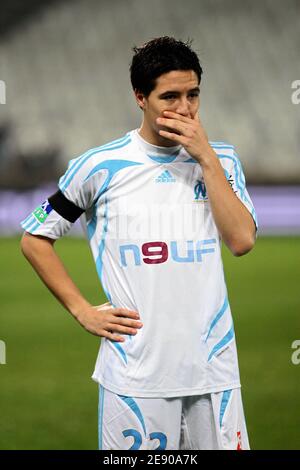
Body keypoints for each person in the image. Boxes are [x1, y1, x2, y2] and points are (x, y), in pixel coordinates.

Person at [20, 36, 257, 450]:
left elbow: (240, 241)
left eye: (193, 94)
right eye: (170, 96)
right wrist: (82, 310)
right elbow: (35, 238)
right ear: (140, 97)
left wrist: (206, 159)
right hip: (135, 377)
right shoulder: (99, 166)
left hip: (215, 373)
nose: (185, 108)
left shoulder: (222, 160)